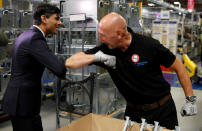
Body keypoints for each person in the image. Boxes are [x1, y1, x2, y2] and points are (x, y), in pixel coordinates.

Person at [65, 13, 197, 129]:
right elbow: (70, 62)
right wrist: (96, 56)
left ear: (119, 34)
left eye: (103, 35)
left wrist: (190, 100)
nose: (100, 39)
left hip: (162, 110)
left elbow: (179, 67)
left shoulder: (149, 45)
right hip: (134, 113)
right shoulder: (106, 50)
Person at [2, 3, 67, 131]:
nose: (59, 23)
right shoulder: (35, 39)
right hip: (23, 105)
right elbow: (59, 68)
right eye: (56, 18)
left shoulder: (26, 35)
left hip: (21, 102)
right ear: (44, 18)